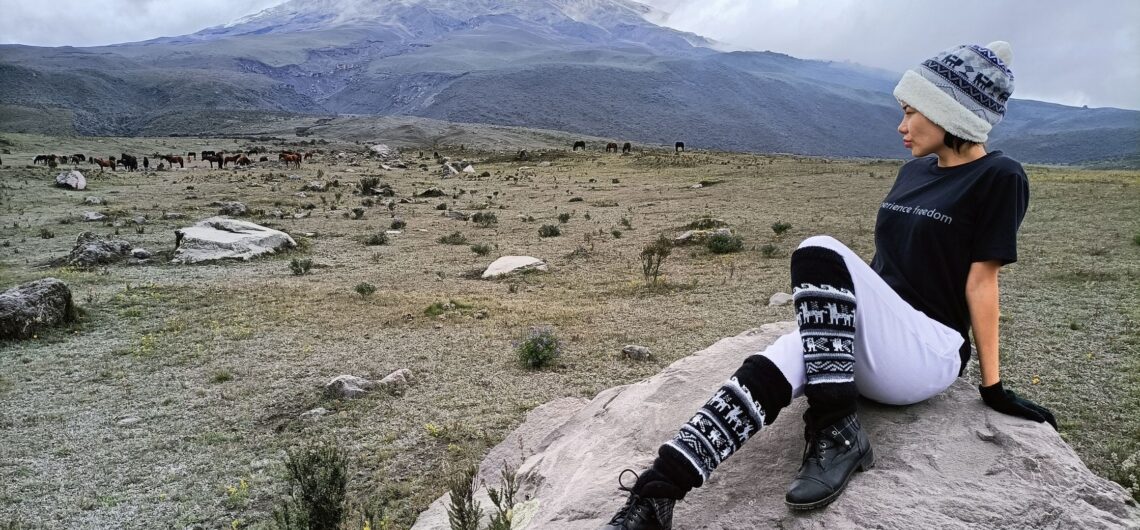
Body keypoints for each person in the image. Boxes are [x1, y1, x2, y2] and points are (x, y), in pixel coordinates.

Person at [601, 41, 1057, 530]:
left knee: (817, 249)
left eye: (911, 112)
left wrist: (993, 386)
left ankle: (837, 428)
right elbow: (887, 269)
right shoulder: (914, 172)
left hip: (928, 349)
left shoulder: (999, 176)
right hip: (873, 342)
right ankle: (656, 496)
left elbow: (982, 282)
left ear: (950, 114)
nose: (901, 127)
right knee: (778, 359)